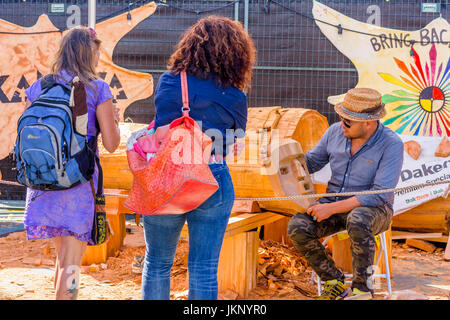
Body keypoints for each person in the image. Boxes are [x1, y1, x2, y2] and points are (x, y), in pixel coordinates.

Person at [141, 15, 256, 300]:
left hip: (166, 177)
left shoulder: (168, 82)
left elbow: (160, 121)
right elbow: (233, 140)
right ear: (237, 53)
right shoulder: (236, 96)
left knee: (157, 263)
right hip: (212, 176)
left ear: (190, 46)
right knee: (204, 267)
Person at [23, 26, 120, 300]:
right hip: (78, 182)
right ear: (90, 54)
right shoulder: (97, 88)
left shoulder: (40, 86)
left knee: (63, 258)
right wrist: (113, 120)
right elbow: (112, 144)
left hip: (43, 180)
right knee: (72, 265)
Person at [287, 88, 404, 300]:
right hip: (333, 204)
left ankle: (362, 289)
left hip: (374, 210)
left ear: (369, 123)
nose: (342, 124)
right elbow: (311, 162)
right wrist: (284, 158)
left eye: (348, 121)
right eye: (341, 118)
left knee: (358, 219)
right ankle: (334, 282)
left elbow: (379, 194)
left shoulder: (391, 144)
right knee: (298, 226)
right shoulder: (334, 132)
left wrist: (330, 208)